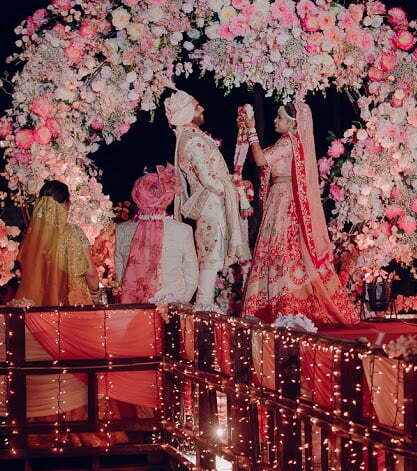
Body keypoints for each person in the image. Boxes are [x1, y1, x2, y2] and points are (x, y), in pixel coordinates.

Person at [242, 100, 358, 327]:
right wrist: (247, 132)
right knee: (280, 250)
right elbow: (258, 156)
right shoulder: (287, 142)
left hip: (284, 200)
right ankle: (280, 303)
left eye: (280, 118)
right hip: (281, 197)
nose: (276, 121)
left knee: (282, 250)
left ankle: (286, 304)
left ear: (293, 123)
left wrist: (252, 130)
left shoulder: (288, 142)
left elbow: (259, 159)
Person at [164, 90, 250, 310]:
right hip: (210, 202)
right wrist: (232, 188)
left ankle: (205, 304)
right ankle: (203, 305)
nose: (201, 108)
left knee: (212, 251)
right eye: (196, 105)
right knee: (210, 253)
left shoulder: (191, 136)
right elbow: (208, 179)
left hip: (212, 202)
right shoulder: (191, 140)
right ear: (186, 113)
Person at [116, 164, 199, 304]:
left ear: (137, 195)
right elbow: (192, 275)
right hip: (172, 309)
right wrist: (180, 302)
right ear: (167, 196)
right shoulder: (183, 230)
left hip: (132, 308)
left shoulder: (122, 229)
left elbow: (120, 272)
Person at [15, 180, 99, 306]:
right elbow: (90, 272)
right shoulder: (73, 233)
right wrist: (96, 294)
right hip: (72, 306)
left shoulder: (32, 237)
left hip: (37, 309)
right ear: (65, 204)